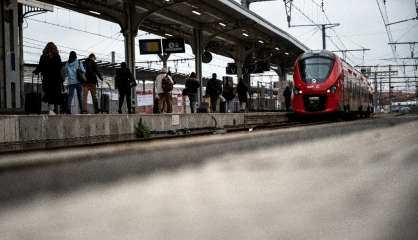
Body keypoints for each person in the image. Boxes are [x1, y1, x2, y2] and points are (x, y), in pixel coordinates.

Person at [33, 42, 64, 115]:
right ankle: (56, 111)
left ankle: (51, 110)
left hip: (47, 79)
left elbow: (40, 66)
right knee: (56, 94)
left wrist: (36, 71)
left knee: (49, 94)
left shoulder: (43, 56)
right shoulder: (57, 56)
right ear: (54, 48)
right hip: (56, 79)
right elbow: (60, 67)